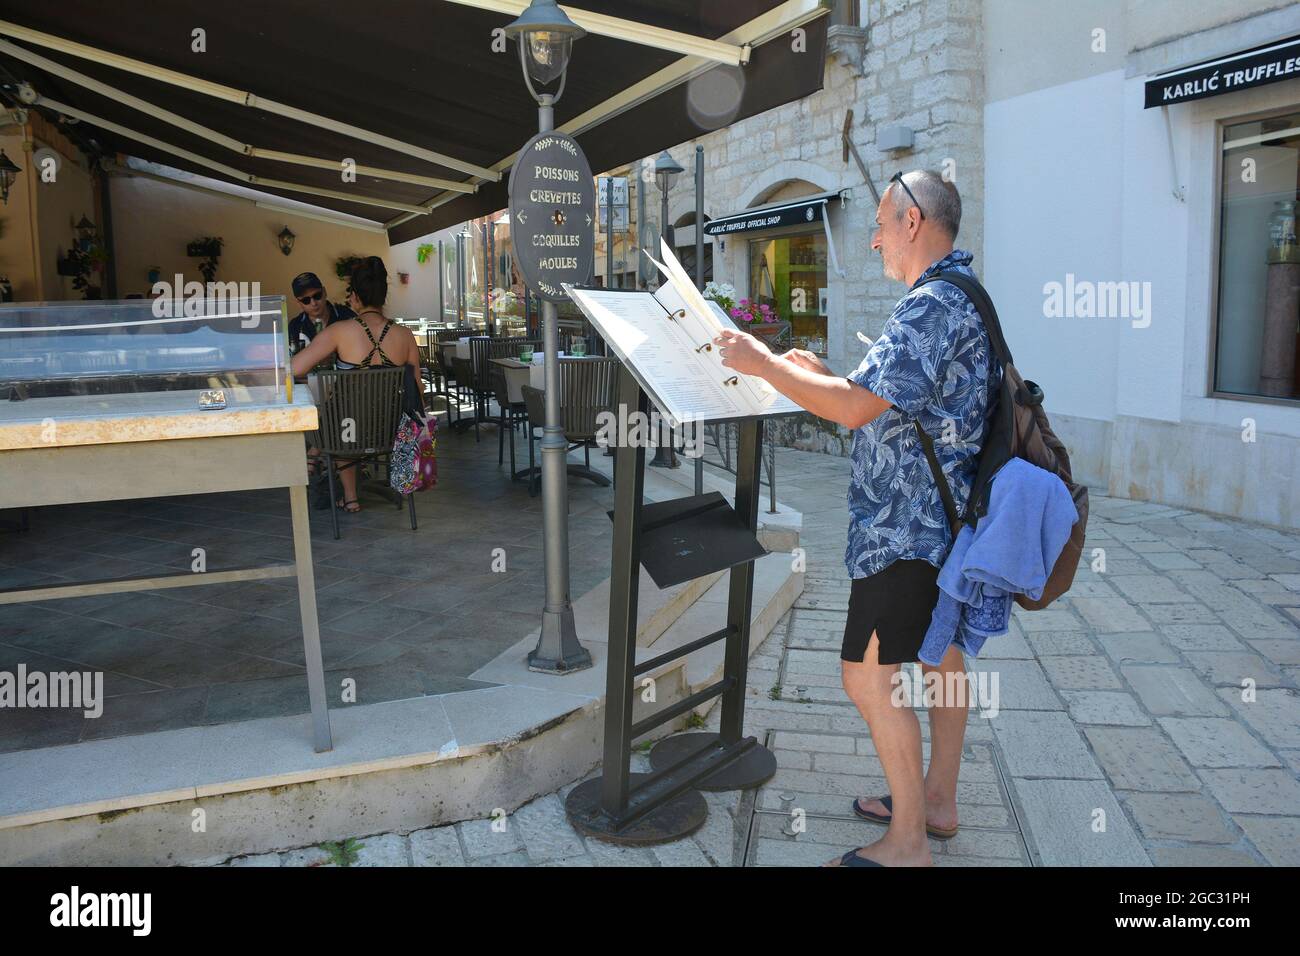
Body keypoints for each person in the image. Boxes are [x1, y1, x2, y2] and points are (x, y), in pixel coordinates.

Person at [712, 170, 1001, 867]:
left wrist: (761, 363)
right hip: (949, 524)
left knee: (866, 676)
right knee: (943, 658)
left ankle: (906, 844)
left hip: (909, 530)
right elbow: (890, 399)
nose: (872, 239)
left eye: (880, 223)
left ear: (913, 221)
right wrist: (827, 371)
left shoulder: (932, 304)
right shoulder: (965, 295)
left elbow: (852, 409)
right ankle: (934, 802)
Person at [291, 257, 423, 514]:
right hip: (391, 431)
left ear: (356, 297)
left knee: (339, 417)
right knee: (347, 416)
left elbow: (295, 369)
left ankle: (351, 498)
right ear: (383, 296)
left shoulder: (339, 331)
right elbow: (418, 391)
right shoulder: (405, 335)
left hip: (347, 434)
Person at [288, 271, 354, 353]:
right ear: (299, 303)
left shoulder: (346, 316)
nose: (313, 303)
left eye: (317, 296)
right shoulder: (295, 326)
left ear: (324, 292)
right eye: (306, 300)